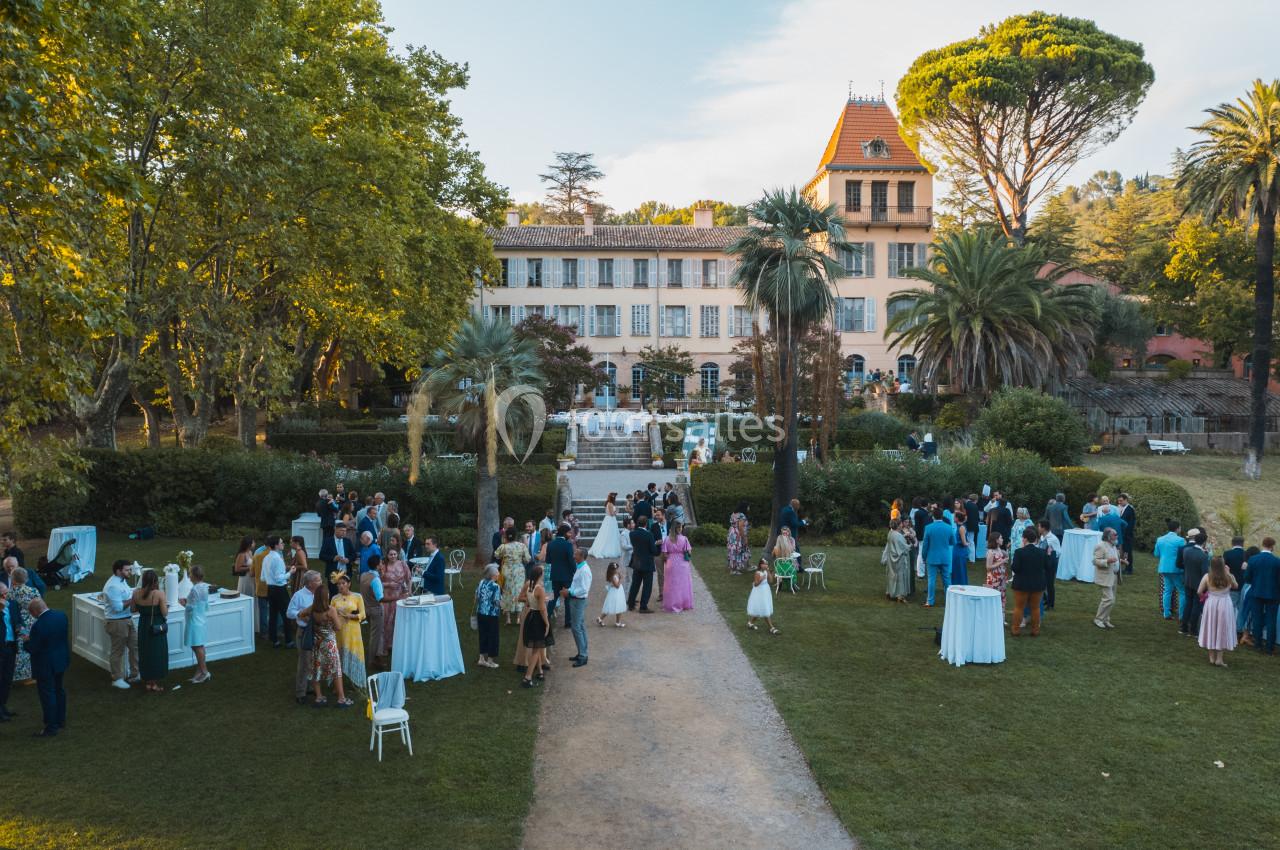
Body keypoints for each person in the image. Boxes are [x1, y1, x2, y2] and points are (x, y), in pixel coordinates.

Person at [22, 598, 67, 737]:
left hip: (45, 664)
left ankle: (51, 726)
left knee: (48, 695)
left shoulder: (38, 626)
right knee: (59, 690)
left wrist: (25, 641)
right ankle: (60, 720)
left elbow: (34, 648)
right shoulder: (61, 615)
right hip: (61, 660)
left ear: (35, 611)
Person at [305, 583, 351, 707]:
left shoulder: (312, 609)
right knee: (335, 670)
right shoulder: (331, 610)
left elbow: (300, 614)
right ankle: (341, 698)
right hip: (329, 643)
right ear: (326, 596)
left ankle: (319, 697)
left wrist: (313, 626)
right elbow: (338, 627)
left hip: (317, 643)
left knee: (316, 669)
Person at [286, 569, 322, 705]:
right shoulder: (299, 595)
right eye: (318, 580)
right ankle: (300, 692)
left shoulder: (320, 593)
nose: (321, 582)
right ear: (310, 583)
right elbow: (289, 612)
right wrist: (302, 615)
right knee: (304, 662)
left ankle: (312, 686)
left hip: (318, 631)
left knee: (315, 660)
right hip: (304, 632)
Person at [102, 559, 139, 689]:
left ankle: (135, 674)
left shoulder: (122, 582)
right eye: (127, 570)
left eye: (130, 569)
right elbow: (118, 607)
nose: (130, 572)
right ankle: (117, 678)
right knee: (118, 651)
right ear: (119, 571)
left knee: (134, 647)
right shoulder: (113, 586)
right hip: (116, 622)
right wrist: (134, 598)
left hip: (127, 620)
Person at [1009, 526, 1050, 637]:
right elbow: (1047, 567)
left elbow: (1015, 568)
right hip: (1038, 584)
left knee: (1019, 607)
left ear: (1025, 539)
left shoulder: (1019, 552)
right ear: (1035, 539)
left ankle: (1015, 629)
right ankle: (1035, 630)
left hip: (1021, 584)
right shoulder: (1042, 552)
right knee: (1035, 608)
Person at [1198, 556, 1239, 667]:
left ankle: (1212, 657)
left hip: (1211, 603)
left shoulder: (1207, 577)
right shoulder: (1229, 577)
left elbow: (1199, 591)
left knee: (1211, 627)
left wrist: (1205, 596)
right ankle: (1219, 659)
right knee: (1222, 628)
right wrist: (1229, 573)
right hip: (1225, 604)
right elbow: (1236, 586)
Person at [133, 569, 169, 692]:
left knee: (145, 653)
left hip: (143, 626)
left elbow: (133, 609)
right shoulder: (159, 594)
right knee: (156, 654)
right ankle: (154, 684)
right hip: (156, 626)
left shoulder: (136, 593)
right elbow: (165, 613)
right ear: (155, 581)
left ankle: (148, 682)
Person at [1245, 538, 1279, 654]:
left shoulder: (1253, 559)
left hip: (1256, 592)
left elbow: (1247, 578)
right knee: (1271, 620)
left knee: (1257, 618)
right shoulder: (1277, 561)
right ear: (1272, 546)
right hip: (1273, 594)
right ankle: (1270, 647)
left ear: (1262, 544)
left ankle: (1257, 644)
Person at [332, 572, 366, 686]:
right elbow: (331, 614)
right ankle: (338, 682)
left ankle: (354, 680)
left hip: (353, 631)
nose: (340, 586)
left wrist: (352, 616)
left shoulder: (357, 597)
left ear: (349, 584)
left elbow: (363, 614)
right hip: (339, 630)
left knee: (353, 653)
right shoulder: (334, 599)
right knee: (339, 654)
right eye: (338, 584)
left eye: (343, 583)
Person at [520, 565, 551, 688]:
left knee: (536, 647)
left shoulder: (530, 586)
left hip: (530, 617)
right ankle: (528, 677)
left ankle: (539, 673)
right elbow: (543, 609)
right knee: (537, 649)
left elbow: (527, 601)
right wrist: (547, 623)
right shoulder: (540, 589)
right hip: (538, 618)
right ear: (540, 575)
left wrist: (529, 602)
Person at [7, 567, 39, 684]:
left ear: (13, 579)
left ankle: (17, 675)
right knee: (30, 648)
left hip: (17, 624)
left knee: (20, 649)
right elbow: (39, 606)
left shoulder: (10, 593)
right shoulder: (33, 591)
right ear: (25, 579)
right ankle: (29, 676)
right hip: (32, 622)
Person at [561, 548, 592, 667]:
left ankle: (583, 655)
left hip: (578, 601)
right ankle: (581, 652)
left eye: (576, 554)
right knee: (580, 626)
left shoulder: (584, 570)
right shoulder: (580, 567)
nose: (573, 556)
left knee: (576, 628)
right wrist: (568, 590)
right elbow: (577, 585)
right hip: (576, 599)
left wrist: (570, 593)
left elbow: (584, 589)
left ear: (582, 556)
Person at [261, 536, 295, 648]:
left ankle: (274, 639)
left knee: (273, 614)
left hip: (270, 589)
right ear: (276, 545)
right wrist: (290, 572)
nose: (283, 544)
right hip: (280, 589)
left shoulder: (266, 558)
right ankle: (289, 641)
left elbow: (263, 577)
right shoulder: (278, 559)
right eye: (281, 542)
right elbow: (279, 578)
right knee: (287, 614)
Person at [181, 564, 211, 683]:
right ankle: (199, 672)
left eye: (190, 574)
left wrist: (183, 603)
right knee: (199, 645)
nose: (189, 576)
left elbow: (190, 607)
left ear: (194, 575)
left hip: (194, 620)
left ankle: (204, 672)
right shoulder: (204, 586)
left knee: (197, 646)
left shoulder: (194, 589)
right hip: (201, 618)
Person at [380, 547, 411, 657]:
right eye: (390, 554)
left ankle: (397, 645)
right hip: (387, 597)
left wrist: (409, 592)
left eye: (394, 554)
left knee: (398, 621)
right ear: (387, 556)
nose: (393, 556)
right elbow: (378, 582)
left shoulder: (403, 564)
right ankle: (386, 646)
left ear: (397, 554)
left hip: (400, 595)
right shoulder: (383, 566)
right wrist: (389, 584)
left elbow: (409, 579)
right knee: (387, 622)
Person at [920, 507, 954, 608]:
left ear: (933, 516)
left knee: (931, 579)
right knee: (947, 579)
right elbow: (953, 542)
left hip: (932, 557)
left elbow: (925, 545)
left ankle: (930, 601)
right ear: (942, 516)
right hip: (945, 557)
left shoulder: (928, 527)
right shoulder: (948, 527)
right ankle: (950, 601)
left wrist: (923, 556)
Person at [496, 527, 531, 625]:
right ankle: (518, 618)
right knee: (519, 591)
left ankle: (508, 618)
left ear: (506, 536)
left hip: (507, 570)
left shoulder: (503, 546)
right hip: (519, 571)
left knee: (507, 592)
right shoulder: (522, 546)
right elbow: (528, 559)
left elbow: (497, 555)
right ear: (516, 536)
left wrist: (503, 542)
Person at [1179, 531, 1211, 637]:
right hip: (1198, 584)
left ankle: (1183, 627)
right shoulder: (1203, 556)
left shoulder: (1186, 551)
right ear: (1204, 543)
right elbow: (1205, 573)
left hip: (1188, 581)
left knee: (1188, 604)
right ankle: (1193, 630)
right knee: (1196, 607)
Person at [1154, 520, 1188, 620]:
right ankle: (1182, 615)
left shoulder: (1160, 539)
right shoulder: (1180, 540)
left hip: (1163, 567)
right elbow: (1184, 555)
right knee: (1182, 591)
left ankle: (1166, 613)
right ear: (1177, 528)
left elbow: (1156, 554)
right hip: (1176, 569)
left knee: (1167, 590)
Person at [546, 524, 577, 626]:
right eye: (569, 532)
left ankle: (545, 619)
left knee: (553, 598)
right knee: (568, 600)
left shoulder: (550, 544)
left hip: (555, 575)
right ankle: (568, 622)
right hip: (567, 576)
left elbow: (548, 560)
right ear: (565, 533)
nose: (570, 534)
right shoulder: (568, 545)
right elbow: (571, 561)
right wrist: (575, 571)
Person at [627, 520, 660, 613]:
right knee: (647, 586)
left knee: (635, 584)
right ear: (646, 524)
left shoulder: (632, 534)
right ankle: (643, 606)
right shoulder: (649, 535)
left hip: (637, 561)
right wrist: (656, 545)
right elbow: (653, 550)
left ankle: (631, 604)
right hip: (647, 563)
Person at [662, 521, 694, 613]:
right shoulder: (684, 539)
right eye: (680, 527)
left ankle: (672, 604)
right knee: (683, 584)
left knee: (671, 584)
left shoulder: (667, 539)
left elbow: (664, 554)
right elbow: (689, 552)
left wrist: (670, 557)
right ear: (678, 529)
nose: (681, 529)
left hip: (671, 562)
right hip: (682, 563)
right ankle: (684, 603)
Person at [360, 555, 386, 670]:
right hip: (376, 609)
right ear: (377, 566)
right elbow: (380, 598)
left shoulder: (364, 575)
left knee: (377, 633)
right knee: (375, 636)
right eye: (381, 563)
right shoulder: (375, 579)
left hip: (366, 608)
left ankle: (378, 656)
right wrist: (397, 597)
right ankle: (372, 661)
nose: (382, 564)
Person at [1092, 527, 1121, 630]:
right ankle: (1098, 619)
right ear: (1108, 536)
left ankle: (1105, 619)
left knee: (1112, 599)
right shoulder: (1100, 546)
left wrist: (1121, 561)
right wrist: (1107, 561)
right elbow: (1095, 561)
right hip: (1105, 576)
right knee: (1109, 599)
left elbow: (1114, 558)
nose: (1117, 536)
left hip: (1114, 576)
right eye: (1115, 534)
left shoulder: (1113, 546)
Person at [474, 564, 502, 668]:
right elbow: (496, 601)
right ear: (493, 574)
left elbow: (476, 595)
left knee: (483, 635)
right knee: (493, 636)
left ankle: (481, 658)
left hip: (481, 613)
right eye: (497, 571)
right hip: (491, 614)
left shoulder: (481, 582)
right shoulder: (496, 586)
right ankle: (490, 661)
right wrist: (503, 605)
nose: (499, 573)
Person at [1223, 537, 1249, 638]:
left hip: (1231, 584)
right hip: (1243, 584)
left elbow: (1223, 568)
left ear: (1232, 543)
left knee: (1230, 607)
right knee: (1241, 608)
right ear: (1242, 544)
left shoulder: (1227, 553)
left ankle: (1228, 628)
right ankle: (1238, 630)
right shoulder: (1246, 554)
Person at [881, 519, 911, 603]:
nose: (902, 525)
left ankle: (890, 592)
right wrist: (911, 545)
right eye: (901, 524)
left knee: (892, 576)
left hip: (891, 558)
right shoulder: (898, 535)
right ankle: (900, 595)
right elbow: (904, 547)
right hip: (898, 559)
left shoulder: (890, 533)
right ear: (898, 525)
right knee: (900, 577)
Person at [747, 558, 779, 634]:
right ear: (761, 565)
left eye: (766, 564)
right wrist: (761, 579)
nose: (766, 565)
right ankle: (771, 628)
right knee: (765, 608)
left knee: (760, 608)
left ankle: (750, 623)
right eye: (764, 564)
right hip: (759, 592)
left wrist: (768, 572)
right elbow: (755, 584)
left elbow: (771, 581)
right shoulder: (757, 573)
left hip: (766, 591)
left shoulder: (766, 571)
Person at [0, 582, 18, 719]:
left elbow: (16, 621)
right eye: (3, 594)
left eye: (7, 592)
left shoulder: (10, 605)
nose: (7, 596)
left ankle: (3, 707)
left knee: (7, 679)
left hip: (10, 646)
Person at [589, 492, 624, 559]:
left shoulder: (609, 503)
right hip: (610, 520)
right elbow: (612, 514)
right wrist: (617, 510)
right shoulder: (610, 504)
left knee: (611, 534)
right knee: (609, 534)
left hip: (610, 520)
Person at [1036, 520, 1062, 611]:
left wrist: (1050, 556)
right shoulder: (1042, 537)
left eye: (1039, 526)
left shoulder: (1053, 538)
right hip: (1043, 563)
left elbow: (1058, 552)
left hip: (1051, 564)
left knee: (1049, 584)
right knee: (1042, 582)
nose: (1038, 528)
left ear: (1044, 528)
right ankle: (1045, 599)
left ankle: (1051, 604)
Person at [597, 562, 627, 628]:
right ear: (612, 570)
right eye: (616, 569)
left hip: (618, 592)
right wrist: (620, 579)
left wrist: (619, 576)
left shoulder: (615, 574)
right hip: (615, 592)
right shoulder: (613, 577)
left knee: (619, 606)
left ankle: (617, 622)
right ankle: (600, 618)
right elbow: (617, 586)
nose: (618, 570)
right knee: (610, 606)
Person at [984, 532, 1009, 613]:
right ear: (996, 540)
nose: (1002, 539)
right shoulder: (991, 552)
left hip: (1001, 578)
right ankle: (993, 617)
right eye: (1001, 538)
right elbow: (988, 567)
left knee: (1002, 596)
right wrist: (1002, 562)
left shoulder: (999, 550)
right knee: (994, 597)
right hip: (994, 578)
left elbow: (1005, 558)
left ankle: (1001, 617)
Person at [727, 502, 751, 575]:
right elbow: (740, 527)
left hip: (732, 533)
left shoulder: (733, 514)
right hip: (737, 534)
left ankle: (741, 566)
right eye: (748, 506)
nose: (748, 508)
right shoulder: (741, 515)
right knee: (738, 550)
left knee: (733, 550)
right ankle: (734, 569)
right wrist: (744, 538)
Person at [1117, 494, 1137, 573]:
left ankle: (1129, 569)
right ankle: (1125, 567)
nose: (1119, 502)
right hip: (1122, 534)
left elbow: (1131, 523)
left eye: (1121, 501)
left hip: (1127, 534)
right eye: (1118, 501)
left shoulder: (1130, 509)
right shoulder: (1120, 508)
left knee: (1128, 551)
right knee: (1124, 550)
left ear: (1126, 500)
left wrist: (1126, 534)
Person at [951, 510, 970, 586]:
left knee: (959, 568)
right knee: (957, 568)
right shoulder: (960, 526)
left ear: (957, 518)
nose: (953, 518)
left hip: (959, 551)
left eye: (954, 517)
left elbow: (964, 542)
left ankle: (960, 584)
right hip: (957, 550)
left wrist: (968, 544)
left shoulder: (961, 528)